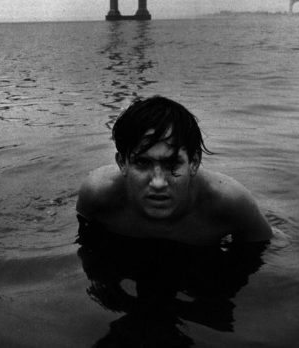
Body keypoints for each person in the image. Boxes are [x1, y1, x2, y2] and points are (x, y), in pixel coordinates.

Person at [76, 96, 272, 245]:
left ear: (194, 163)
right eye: (143, 163)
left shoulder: (230, 203)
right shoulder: (97, 196)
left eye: (172, 165)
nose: (158, 183)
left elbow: (268, 250)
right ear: (122, 164)